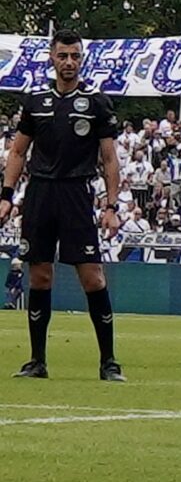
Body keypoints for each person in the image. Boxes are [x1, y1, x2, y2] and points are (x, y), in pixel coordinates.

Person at [1, 32, 125, 381]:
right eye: (63, 56)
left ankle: (109, 362)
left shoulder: (97, 102)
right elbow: (18, 151)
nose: (69, 62)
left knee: (92, 276)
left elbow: (109, 158)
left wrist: (111, 205)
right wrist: (6, 196)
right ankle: (37, 361)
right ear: (52, 58)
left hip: (76, 193)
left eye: (75, 56)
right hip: (40, 193)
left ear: (81, 59)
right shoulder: (35, 100)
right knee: (39, 275)